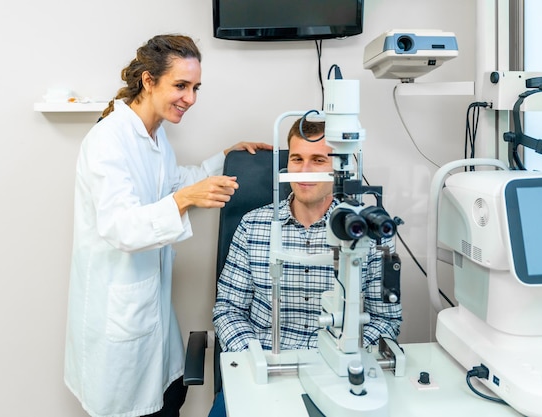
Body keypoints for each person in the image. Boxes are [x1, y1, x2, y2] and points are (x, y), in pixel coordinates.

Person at [63, 34, 271, 417]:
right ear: (148, 81)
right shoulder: (109, 141)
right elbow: (120, 226)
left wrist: (226, 159)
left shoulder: (154, 137)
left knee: (170, 395)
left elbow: (173, 182)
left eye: (195, 87)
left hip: (150, 310)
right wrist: (184, 200)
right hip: (120, 320)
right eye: (181, 85)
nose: (190, 98)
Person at [208, 118, 402, 416]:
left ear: (339, 168)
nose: (305, 170)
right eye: (297, 159)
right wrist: (256, 358)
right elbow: (228, 310)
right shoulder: (254, 225)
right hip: (265, 369)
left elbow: (386, 318)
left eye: (318, 159)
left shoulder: (368, 231)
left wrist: (344, 355)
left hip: (337, 373)